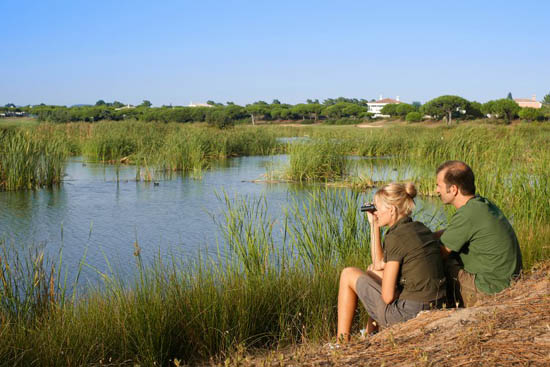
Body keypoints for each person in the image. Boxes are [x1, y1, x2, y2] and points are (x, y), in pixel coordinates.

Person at [336, 182, 446, 343]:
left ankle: (341, 342)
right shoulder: (420, 228)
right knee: (372, 272)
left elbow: (387, 297)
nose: (376, 212)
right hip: (437, 304)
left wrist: (390, 289)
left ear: (392, 210)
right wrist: (374, 225)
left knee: (348, 273)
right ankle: (371, 333)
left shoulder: (395, 237)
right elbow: (379, 263)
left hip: (410, 314)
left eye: (378, 209)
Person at [435, 160, 522, 307]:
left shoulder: (468, 214)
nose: (437, 190)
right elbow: (454, 231)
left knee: (436, 262)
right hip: (506, 280)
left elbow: (439, 253)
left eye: (439, 186)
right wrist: (424, 236)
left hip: (490, 289)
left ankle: (438, 306)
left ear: (454, 189)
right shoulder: (480, 204)